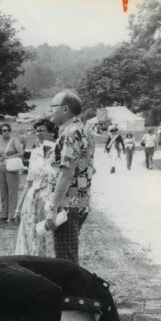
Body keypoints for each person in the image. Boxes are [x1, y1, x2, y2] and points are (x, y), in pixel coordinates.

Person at [45, 89, 96, 263]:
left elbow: (66, 174)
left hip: (66, 205)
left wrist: (53, 207)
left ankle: (74, 291)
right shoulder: (84, 130)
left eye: (53, 106)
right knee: (69, 256)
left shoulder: (70, 133)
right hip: (80, 203)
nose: (49, 110)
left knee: (66, 262)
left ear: (65, 109)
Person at [15, 118, 58, 257]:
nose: (38, 134)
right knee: (29, 234)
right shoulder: (35, 152)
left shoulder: (59, 151)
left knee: (46, 236)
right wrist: (18, 208)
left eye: (42, 131)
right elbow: (28, 182)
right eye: (36, 131)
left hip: (49, 201)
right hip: (31, 200)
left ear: (52, 132)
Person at [0, 121, 25, 221]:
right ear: (0, 132)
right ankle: (4, 214)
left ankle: (12, 215)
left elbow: (21, 153)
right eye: (4, 130)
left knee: (12, 192)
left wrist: (9, 156)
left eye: (8, 130)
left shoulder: (14, 140)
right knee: (3, 192)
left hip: (11, 168)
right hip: (1, 168)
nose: (6, 132)